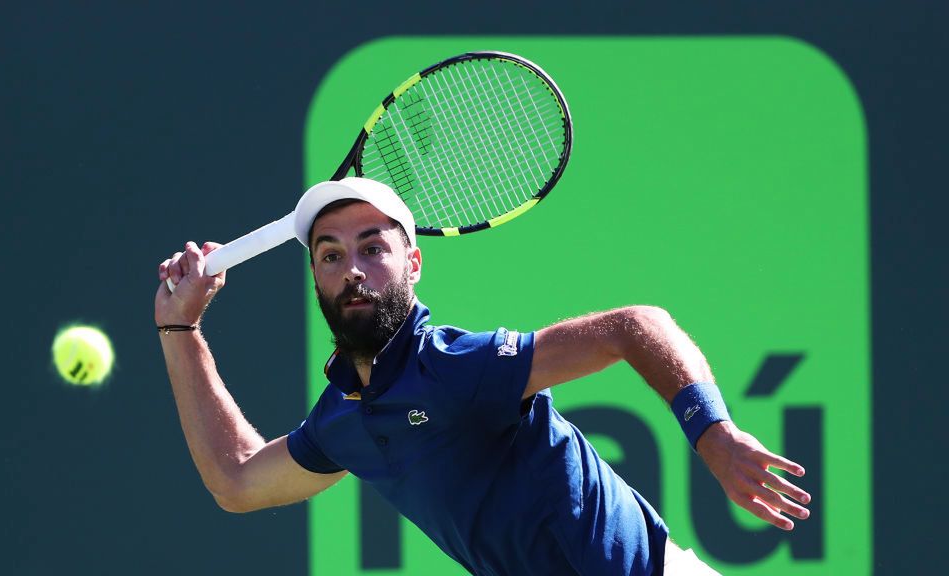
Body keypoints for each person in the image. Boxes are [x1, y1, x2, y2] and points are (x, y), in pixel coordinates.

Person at [155, 177, 811, 576]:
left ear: (413, 263)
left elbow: (632, 327)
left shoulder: (453, 366)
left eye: (372, 248)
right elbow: (237, 480)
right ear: (316, 279)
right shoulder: (341, 423)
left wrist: (714, 435)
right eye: (330, 254)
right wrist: (181, 332)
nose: (351, 268)